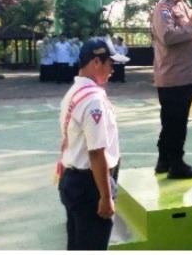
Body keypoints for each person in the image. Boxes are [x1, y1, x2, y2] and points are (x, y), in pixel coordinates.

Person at [57, 37, 129, 250]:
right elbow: (96, 153)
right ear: (96, 62)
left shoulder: (74, 92)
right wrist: (106, 197)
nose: (112, 70)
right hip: (90, 186)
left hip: (72, 180)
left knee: (77, 245)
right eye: (110, 64)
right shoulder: (93, 100)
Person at [151, 0, 192, 179]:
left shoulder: (184, 6)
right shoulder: (163, 8)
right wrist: (191, 25)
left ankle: (164, 161)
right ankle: (177, 164)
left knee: (172, 121)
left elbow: (189, 34)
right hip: (173, 76)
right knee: (176, 122)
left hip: (185, 74)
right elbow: (168, 37)